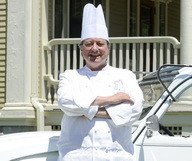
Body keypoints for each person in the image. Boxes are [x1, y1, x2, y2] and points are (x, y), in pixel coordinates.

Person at [57, 3, 144, 161]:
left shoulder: (126, 76)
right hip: (76, 155)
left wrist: (85, 110)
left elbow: (134, 111)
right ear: (81, 49)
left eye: (100, 43)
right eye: (89, 44)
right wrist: (112, 99)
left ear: (108, 48)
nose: (94, 49)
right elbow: (66, 103)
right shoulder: (70, 76)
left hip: (117, 155)